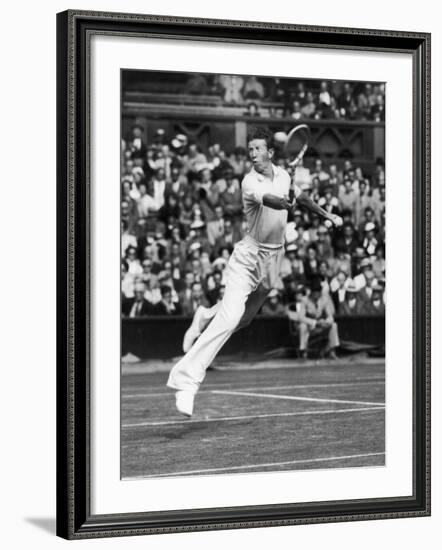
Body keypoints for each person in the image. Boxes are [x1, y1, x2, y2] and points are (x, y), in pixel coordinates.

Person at [166, 127, 343, 416]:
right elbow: (271, 200)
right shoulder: (249, 181)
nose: (252, 153)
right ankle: (186, 381)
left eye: (257, 148)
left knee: (244, 319)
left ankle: (206, 315)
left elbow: (304, 199)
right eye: (250, 149)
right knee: (233, 315)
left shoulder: (285, 175)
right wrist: (284, 200)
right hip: (249, 256)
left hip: (275, 258)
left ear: (270, 153)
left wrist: (327, 215)